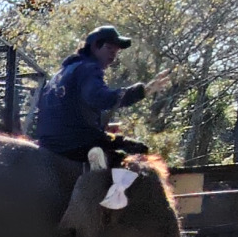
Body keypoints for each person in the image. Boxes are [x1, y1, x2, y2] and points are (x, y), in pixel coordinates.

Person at [33, 25, 171, 164]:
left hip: (49, 142)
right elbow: (100, 98)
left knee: (116, 142)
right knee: (137, 153)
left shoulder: (61, 73)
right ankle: (98, 172)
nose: (113, 55)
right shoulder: (88, 68)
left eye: (116, 51)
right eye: (109, 48)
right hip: (74, 144)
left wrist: (100, 126)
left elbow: (67, 112)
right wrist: (143, 91)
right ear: (94, 47)